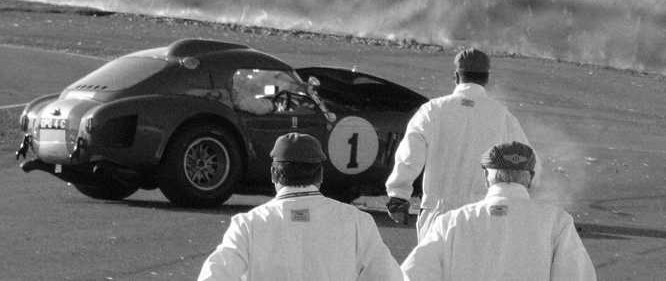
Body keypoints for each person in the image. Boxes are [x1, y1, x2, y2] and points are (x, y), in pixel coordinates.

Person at [198, 133, 403, 281]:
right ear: (320, 175)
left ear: (273, 174)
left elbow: (214, 276)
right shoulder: (357, 222)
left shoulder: (248, 224)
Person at [385, 48, 542, 242]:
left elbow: (410, 154)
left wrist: (399, 195)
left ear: (456, 76)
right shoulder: (501, 116)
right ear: (486, 78)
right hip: (482, 214)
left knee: (430, 269)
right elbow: (531, 165)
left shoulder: (433, 110)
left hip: (438, 212)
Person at [401, 141, 597, 281]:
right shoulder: (557, 222)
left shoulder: (451, 221)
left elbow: (413, 274)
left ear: (487, 176)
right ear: (530, 177)